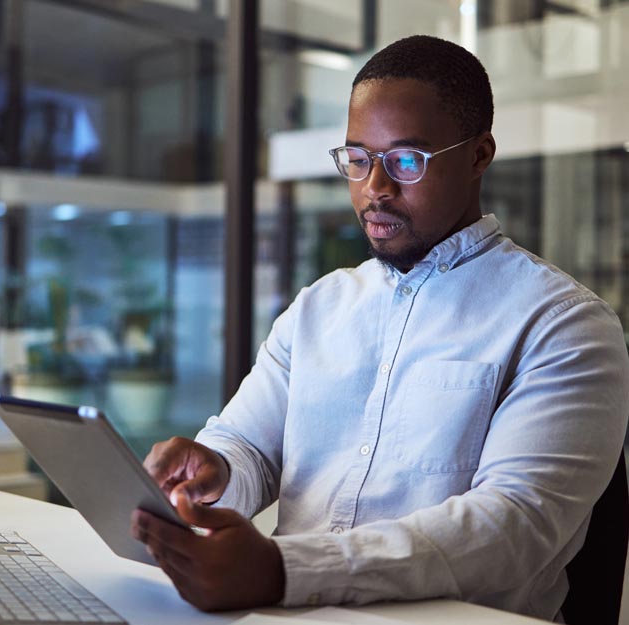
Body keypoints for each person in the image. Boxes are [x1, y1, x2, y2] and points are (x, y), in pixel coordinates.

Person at [130, 35, 629, 621]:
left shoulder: (564, 323)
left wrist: (286, 571)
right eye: (359, 159)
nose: (375, 189)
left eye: (406, 161)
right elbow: (249, 449)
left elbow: (512, 526)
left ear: (479, 155)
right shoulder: (320, 306)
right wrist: (214, 472)